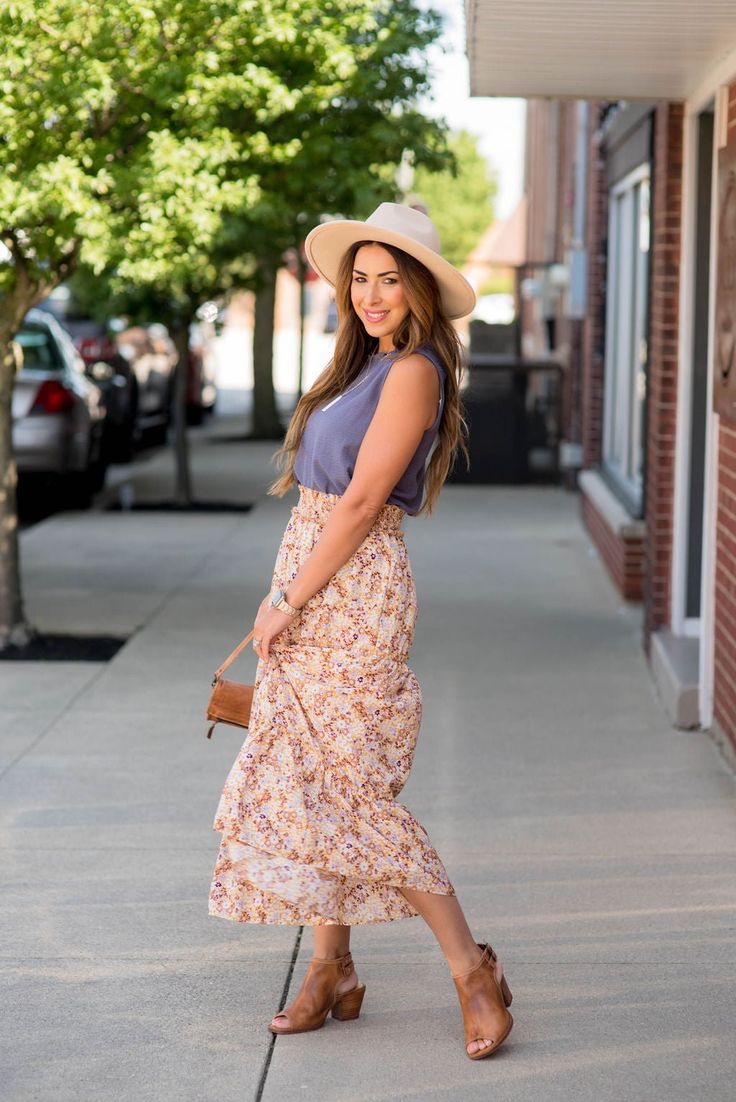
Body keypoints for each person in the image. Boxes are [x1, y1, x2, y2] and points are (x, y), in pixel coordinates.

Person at [208, 203, 513, 1060]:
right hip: (311, 570)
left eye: (389, 279)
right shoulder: (364, 363)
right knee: (312, 781)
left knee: (353, 794)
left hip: (352, 588)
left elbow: (363, 501)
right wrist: (286, 590)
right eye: (361, 277)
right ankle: (331, 969)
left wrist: (288, 599)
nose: (371, 294)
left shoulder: (413, 370)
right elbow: (323, 503)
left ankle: (471, 970)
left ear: (418, 287)